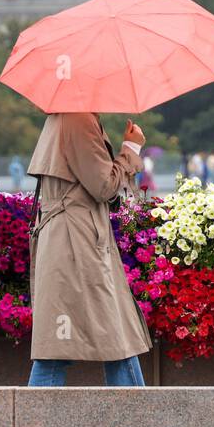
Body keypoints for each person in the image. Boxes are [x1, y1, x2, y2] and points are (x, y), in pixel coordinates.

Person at [25, 113, 152, 387]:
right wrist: (130, 149)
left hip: (69, 237)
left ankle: (140, 421)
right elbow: (103, 186)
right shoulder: (78, 118)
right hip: (76, 240)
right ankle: (140, 422)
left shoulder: (66, 117)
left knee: (65, 346)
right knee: (115, 336)